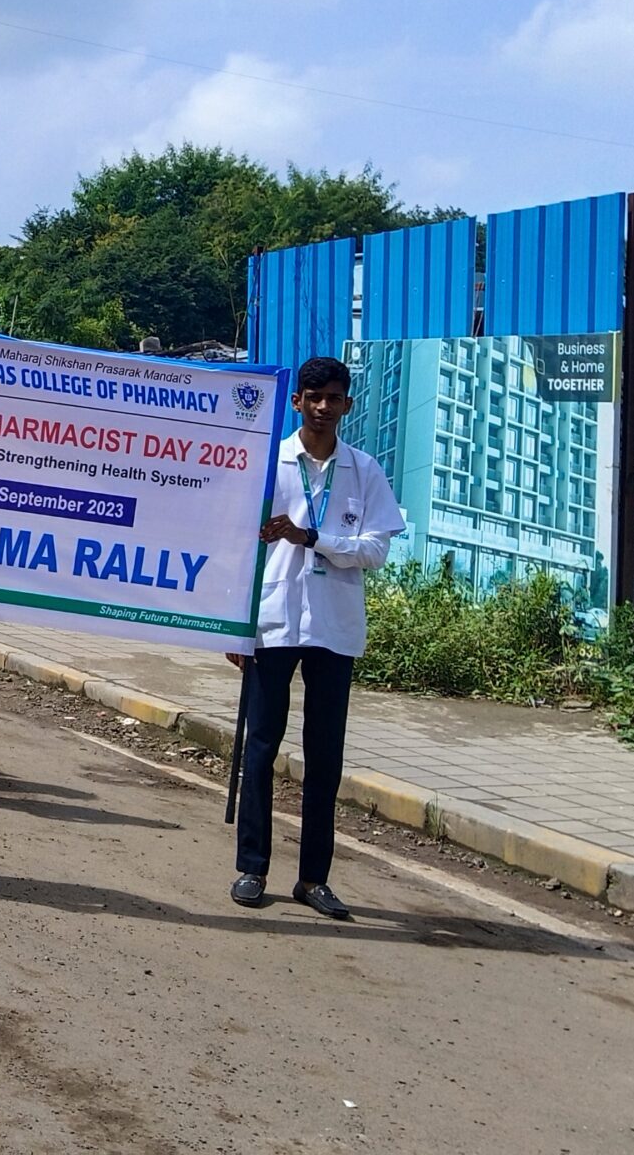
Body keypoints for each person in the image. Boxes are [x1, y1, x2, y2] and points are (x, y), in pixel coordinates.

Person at [230, 355, 405, 920]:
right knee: (261, 748)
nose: (324, 407)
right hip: (273, 621)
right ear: (297, 402)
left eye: (334, 398)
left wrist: (312, 537)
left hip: (334, 627)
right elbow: (239, 546)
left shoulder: (364, 470)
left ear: (348, 404)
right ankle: (252, 868)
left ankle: (314, 878)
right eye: (314, 397)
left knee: (325, 757)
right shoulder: (270, 464)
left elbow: (375, 551)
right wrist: (234, 623)